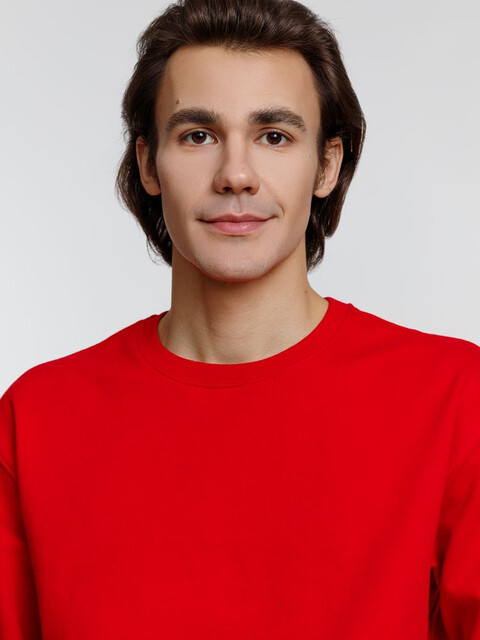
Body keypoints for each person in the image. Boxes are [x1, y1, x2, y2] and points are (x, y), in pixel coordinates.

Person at [1, 0, 479, 637]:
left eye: (274, 136)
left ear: (327, 165)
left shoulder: (454, 398)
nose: (236, 175)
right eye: (198, 135)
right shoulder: (37, 419)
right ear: (147, 163)